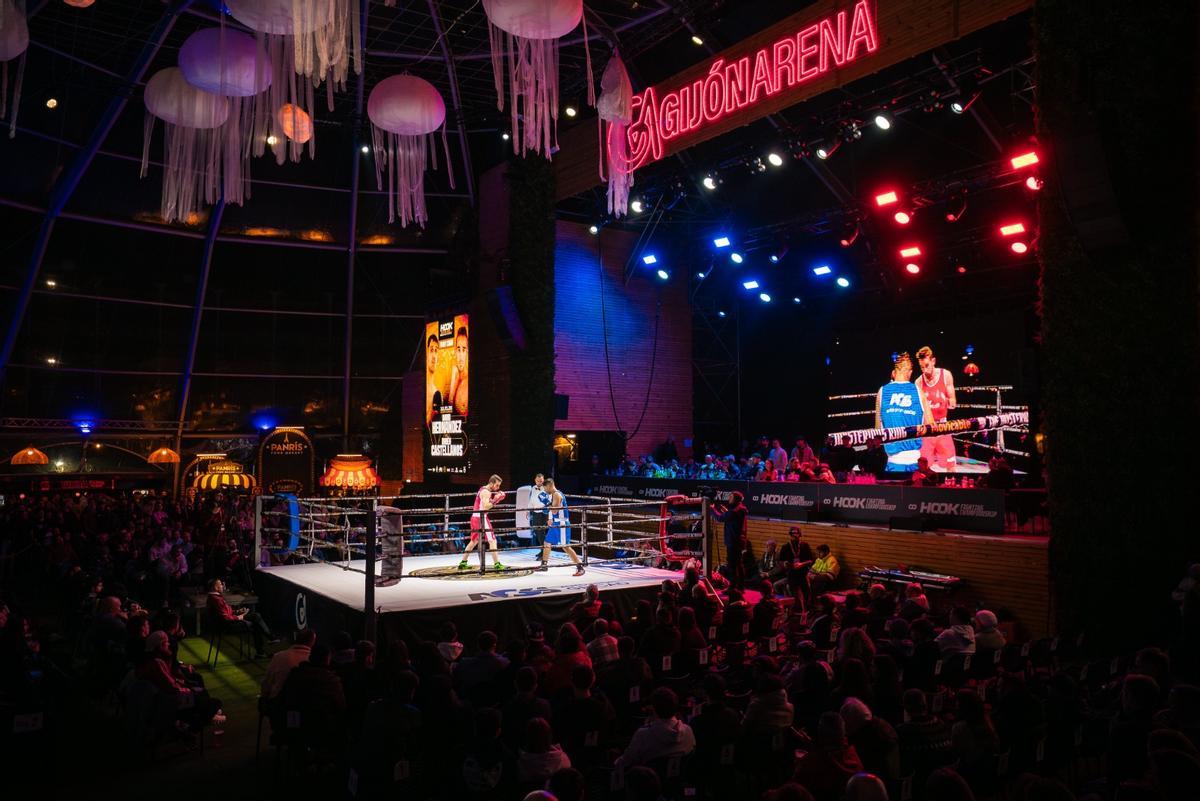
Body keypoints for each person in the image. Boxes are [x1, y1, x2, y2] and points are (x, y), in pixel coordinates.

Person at [875, 353, 933, 472]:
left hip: (893, 463)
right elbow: (931, 426)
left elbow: (877, 431)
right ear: (910, 373)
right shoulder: (919, 392)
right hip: (916, 464)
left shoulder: (882, 391)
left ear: (893, 373)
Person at [614, 687, 696, 769]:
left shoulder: (643, 735)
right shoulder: (688, 731)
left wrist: (615, 762)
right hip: (679, 779)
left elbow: (625, 762)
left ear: (653, 709)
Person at [206, 578, 275, 658]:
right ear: (215, 587)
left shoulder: (215, 597)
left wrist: (238, 611)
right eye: (221, 584)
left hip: (228, 622)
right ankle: (267, 642)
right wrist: (239, 617)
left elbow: (227, 612)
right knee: (256, 621)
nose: (223, 586)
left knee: (256, 617)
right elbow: (226, 618)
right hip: (227, 626)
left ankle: (267, 643)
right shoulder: (216, 599)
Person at [916, 346, 957, 471]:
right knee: (923, 466)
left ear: (933, 361)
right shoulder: (918, 382)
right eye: (922, 367)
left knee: (951, 466)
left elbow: (953, 402)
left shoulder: (946, 375)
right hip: (927, 429)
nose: (924, 370)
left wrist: (946, 401)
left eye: (927, 365)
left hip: (943, 426)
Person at [458, 474, 508, 571]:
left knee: (474, 541)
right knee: (492, 540)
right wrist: (496, 499)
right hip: (481, 518)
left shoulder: (483, 489)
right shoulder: (486, 492)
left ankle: (463, 562)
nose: (498, 488)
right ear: (492, 483)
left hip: (475, 517)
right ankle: (497, 563)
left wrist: (494, 500)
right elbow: (485, 507)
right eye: (497, 485)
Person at [537, 479, 585, 576]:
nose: (545, 490)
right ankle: (544, 565)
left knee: (566, 547)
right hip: (556, 524)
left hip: (562, 524)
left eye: (545, 488)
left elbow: (555, 511)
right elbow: (553, 511)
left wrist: (546, 504)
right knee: (547, 542)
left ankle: (580, 567)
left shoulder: (557, 495)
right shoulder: (553, 495)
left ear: (550, 485)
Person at [262, 628, 316, 701]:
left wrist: (265, 699)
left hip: (278, 702)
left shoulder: (278, 656)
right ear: (312, 642)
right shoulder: (313, 660)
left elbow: (267, 683)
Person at [712, 491, 748, 590]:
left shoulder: (735, 511)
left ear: (735, 499)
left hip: (733, 541)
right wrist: (726, 512)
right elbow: (731, 518)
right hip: (738, 541)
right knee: (738, 564)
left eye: (731, 497)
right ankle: (740, 587)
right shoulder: (740, 510)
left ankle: (732, 588)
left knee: (732, 565)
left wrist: (711, 509)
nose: (729, 499)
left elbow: (719, 518)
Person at [448, 325, 469, 416]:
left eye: (463, 350)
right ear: (455, 351)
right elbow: (448, 411)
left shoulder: (469, 381)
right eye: (458, 349)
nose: (460, 356)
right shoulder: (454, 374)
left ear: (467, 351)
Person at [425, 333, 443, 425]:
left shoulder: (437, 393)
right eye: (431, 350)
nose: (434, 356)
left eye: (436, 351)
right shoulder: (421, 389)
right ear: (426, 353)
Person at [529, 472, 549, 550]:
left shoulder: (546, 488)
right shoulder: (533, 488)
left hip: (543, 513)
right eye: (538, 481)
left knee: (541, 532)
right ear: (535, 480)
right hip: (535, 512)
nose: (539, 482)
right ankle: (542, 549)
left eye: (541, 481)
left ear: (543, 480)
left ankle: (544, 551)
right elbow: (531, 499)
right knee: (536, 531)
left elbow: (548, 501)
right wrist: (528, 510)